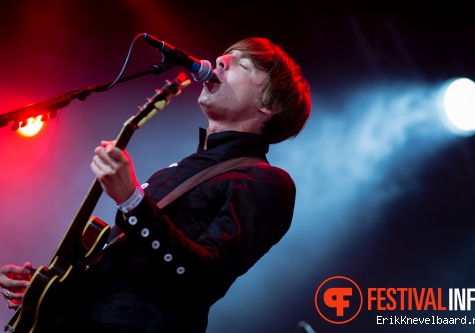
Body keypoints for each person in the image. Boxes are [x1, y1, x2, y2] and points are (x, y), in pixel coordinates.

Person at [0, 37, 312, 333]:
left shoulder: (266, 182)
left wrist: (132, 201)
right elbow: (125, 265)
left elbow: (205, 279)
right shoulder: (180, 169)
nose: (220, 60)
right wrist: (47, 287)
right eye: (225, 55)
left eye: (242, 65)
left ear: (269, 104)